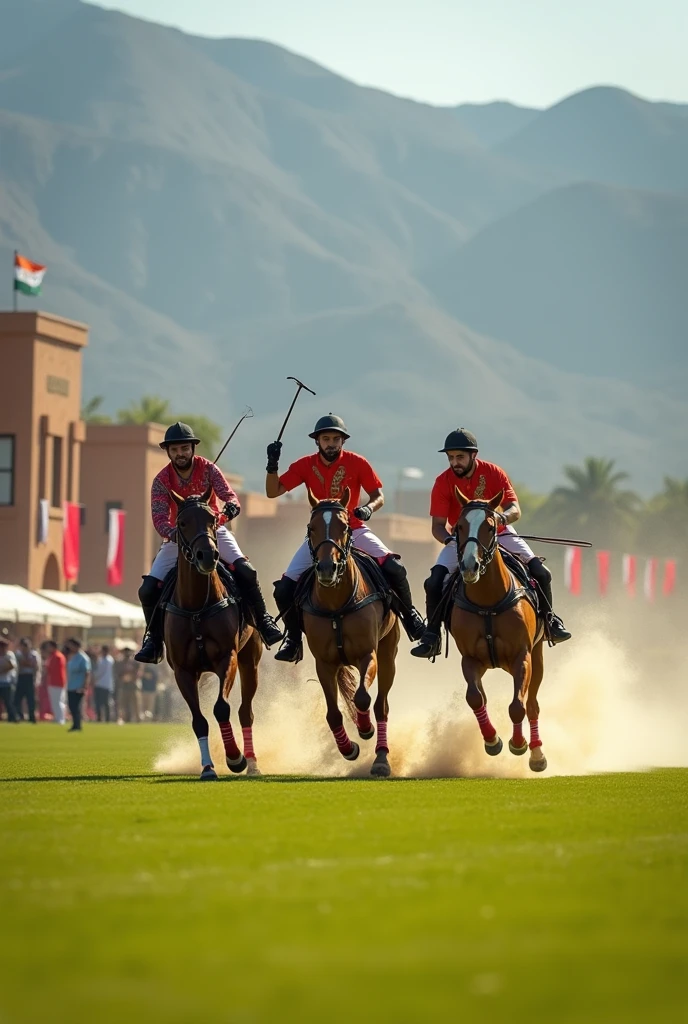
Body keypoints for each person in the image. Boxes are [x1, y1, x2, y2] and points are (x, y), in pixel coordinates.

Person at [265, 414, 425, 662]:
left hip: (354, 529)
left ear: (342, 441)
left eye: (335, 439)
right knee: (283, 589)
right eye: (326, 439)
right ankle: (294, 639)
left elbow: (378, 495)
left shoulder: (357, 462)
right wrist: (272, 466)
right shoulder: (304, 465)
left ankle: (411, 618)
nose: (331, 443)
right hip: (319, 538)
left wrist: (369, 509)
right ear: (317, 441)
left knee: (395, 567)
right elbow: (273, 492)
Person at [412, 428, 572, 658]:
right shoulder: (442, 482)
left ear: (473, 455)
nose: (454, 462)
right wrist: (452, 541)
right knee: (434, 582)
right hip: (461, 539)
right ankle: (432, 636)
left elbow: (514, 508)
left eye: (460, 457)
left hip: (499, 532)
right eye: (450, 458)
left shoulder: (494, 472)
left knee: (541, 572)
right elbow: (437, 525)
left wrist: (501, 518)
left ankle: (550, 622)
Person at [136, 422, 282, 663]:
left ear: (192, 448)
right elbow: (159, 518)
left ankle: (263, 621)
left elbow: (230, 498)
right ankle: (153, 640)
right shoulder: (161, 480)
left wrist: (222, 517)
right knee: (148, 589)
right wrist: (176, 535)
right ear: (168, 452)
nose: (180, 454)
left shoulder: (209, 469)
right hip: (179, 537)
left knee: (246, 571)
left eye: (184, 448)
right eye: (174, 450)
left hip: (212, 531)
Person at [64, 637, 91, 732]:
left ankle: (77, 725)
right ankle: (75, 724)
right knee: (71, 706)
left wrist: (84, 686)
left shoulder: (83, 658)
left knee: (76, 706)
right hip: (71, 685)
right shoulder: (73, 657)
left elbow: (87, 673)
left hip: (78, 686)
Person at [14, 638, 40, 723]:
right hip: (21, 676)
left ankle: (32, 717)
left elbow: (35, 666)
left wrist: (26, 663)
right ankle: (19, 715)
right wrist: (27, 663)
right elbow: (20, 664)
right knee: (18, 698)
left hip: (30, 677)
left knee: (30, 699)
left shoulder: (34, 654)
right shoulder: (18, 654)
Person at [41, 640, 67, 723]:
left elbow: (50, 669)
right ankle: (57, 717)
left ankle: (60, 718)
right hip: (54, 682)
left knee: (58, 701)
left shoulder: (57, 656)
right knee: (55, 701)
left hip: (57, 682)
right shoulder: (53, 656)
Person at [115, 647, 141, 723]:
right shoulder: (119, 663)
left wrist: (131, 677)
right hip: (124, 686)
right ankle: (121, 719)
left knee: (136, 705)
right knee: (122, 705)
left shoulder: (135, 663)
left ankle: (137, 720)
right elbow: (118, 674)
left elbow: (138, 673)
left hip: (133, 686)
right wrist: (124, 678)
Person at [92, 645, 115, 722]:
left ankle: (106, 718)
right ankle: (100, 717)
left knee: (105, 703)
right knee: (99, 703)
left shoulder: (107, 660)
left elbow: (100, 672)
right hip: (101, 684)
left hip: (104, 684)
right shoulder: (103, 659)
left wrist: (94, 678)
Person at [0, 637, 18, 722]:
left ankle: (13, 718)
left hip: (6, 682)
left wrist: (2, 670)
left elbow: (12, 666)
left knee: (8, 703)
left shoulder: (9, 655)